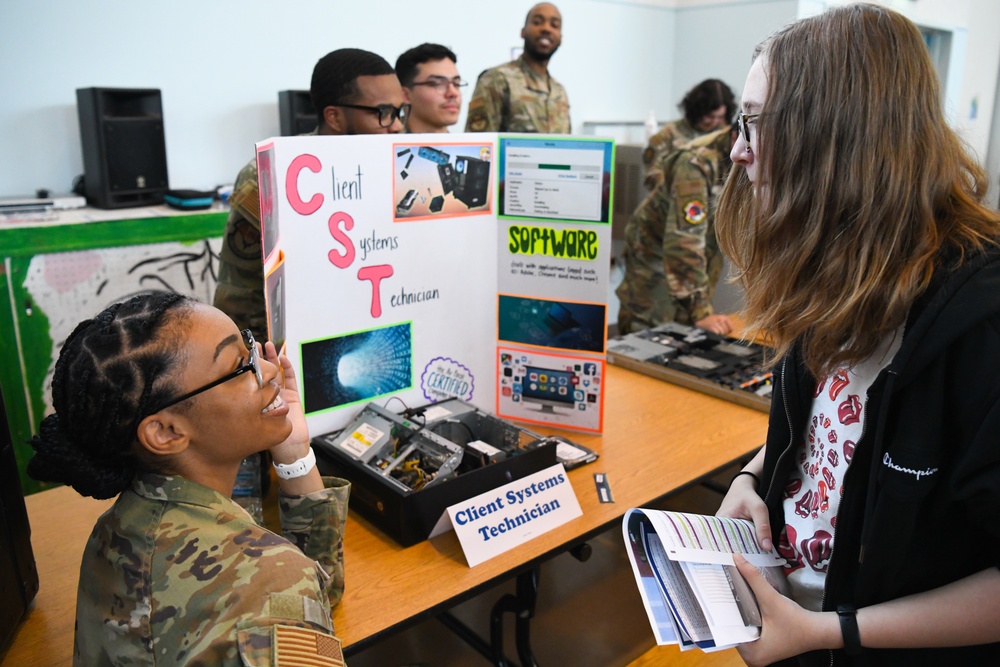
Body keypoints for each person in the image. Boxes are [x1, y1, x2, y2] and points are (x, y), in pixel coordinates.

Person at [714, 4, 1000, 665]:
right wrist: (751, 479)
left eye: (754, 124)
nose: (738, 150)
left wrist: (829, 631)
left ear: (835, 134)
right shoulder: (838, 268)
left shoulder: (981, 326)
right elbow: (819, 432)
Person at [26, 292, 350, 665]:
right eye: (240, 367)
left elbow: (310, 593)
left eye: (250, 348)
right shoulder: (267, 577)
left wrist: (294, 455)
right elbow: (290, 588)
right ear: (165, 431)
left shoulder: (112, 532)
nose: (272, 370)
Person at [214, 48, 408, 339]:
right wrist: (259, 367)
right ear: (334, 117)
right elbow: (242, 292)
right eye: (384, 113)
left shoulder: (401, 165)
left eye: (400, 111)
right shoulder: (271, 176)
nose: (398, 126)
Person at [616, 126, 735, 336]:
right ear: (737, 136)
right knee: (648, 334)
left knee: (688, 333)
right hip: (654, 254)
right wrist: (701, 312)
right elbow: (683, 241)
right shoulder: (695, 164)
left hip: (697, 254)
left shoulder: (744, 154)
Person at [465, 3, 570, 133]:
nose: (546, 29)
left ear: (560, 38)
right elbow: (479, 146)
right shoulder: (497, 80)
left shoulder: (559, 92)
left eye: (554, 25)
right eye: (537, 22)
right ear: (523, 32)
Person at [643, 78, 735, 190]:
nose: (714, 121)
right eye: (709, 116)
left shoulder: (725, 136)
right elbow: (652, 175)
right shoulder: (667, 135)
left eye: (720, 117)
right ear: (697, 110)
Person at [396, 43, 465, 133]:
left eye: (456, 84)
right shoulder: (384, 145)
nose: (453, 93)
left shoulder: (474, 146)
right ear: (405, 95)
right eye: (437, 84)